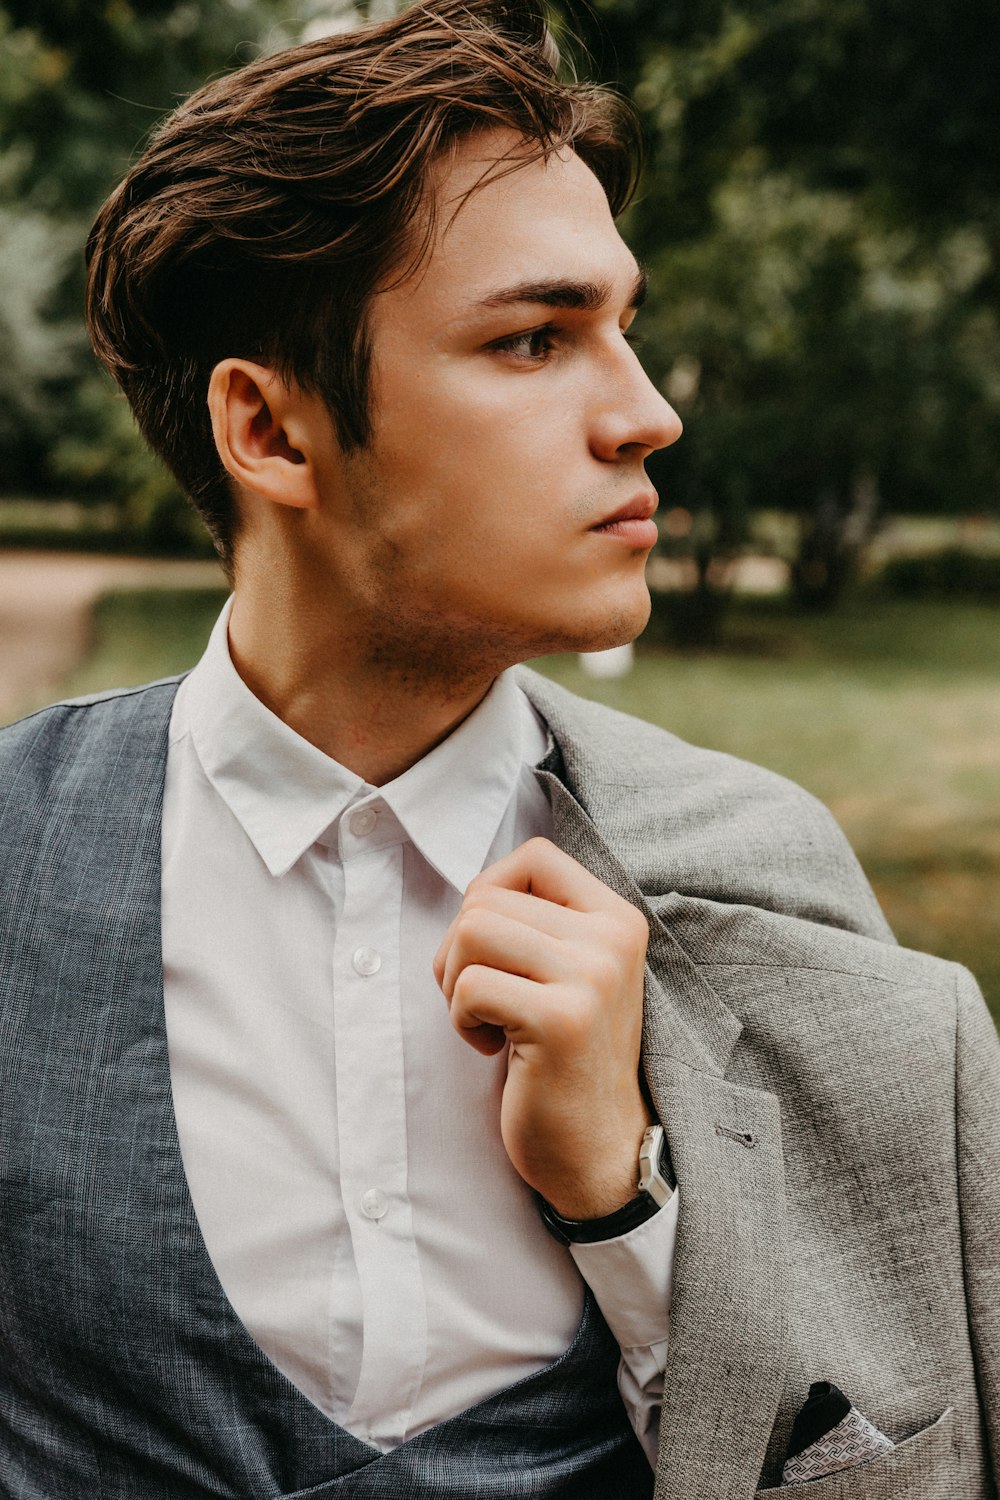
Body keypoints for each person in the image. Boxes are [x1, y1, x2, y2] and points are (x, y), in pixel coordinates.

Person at [0, 1, 996, 1495]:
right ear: (269, 432)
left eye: (622, 329)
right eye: (533, 340)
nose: (647, 415)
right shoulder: (9, 860)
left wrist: (624, 1209)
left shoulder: (777, 901)